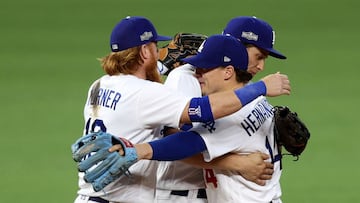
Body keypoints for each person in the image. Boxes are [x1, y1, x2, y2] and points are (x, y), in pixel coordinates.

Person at [74, 15, 290, 203]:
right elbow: (188, 130)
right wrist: (237, 162)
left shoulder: (100, 84)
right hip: (174, 193)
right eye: (259, 56)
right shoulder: (248, 97)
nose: (200, 73)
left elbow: (144, 98)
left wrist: (158, 67)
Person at [155, 16, 288, 202]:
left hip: (219, 191)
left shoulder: (246, 87)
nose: (261, 66)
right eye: (259, 56)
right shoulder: (187, 78)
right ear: (238, 46)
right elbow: (172, 137)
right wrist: (236, 163)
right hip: (181, 191)